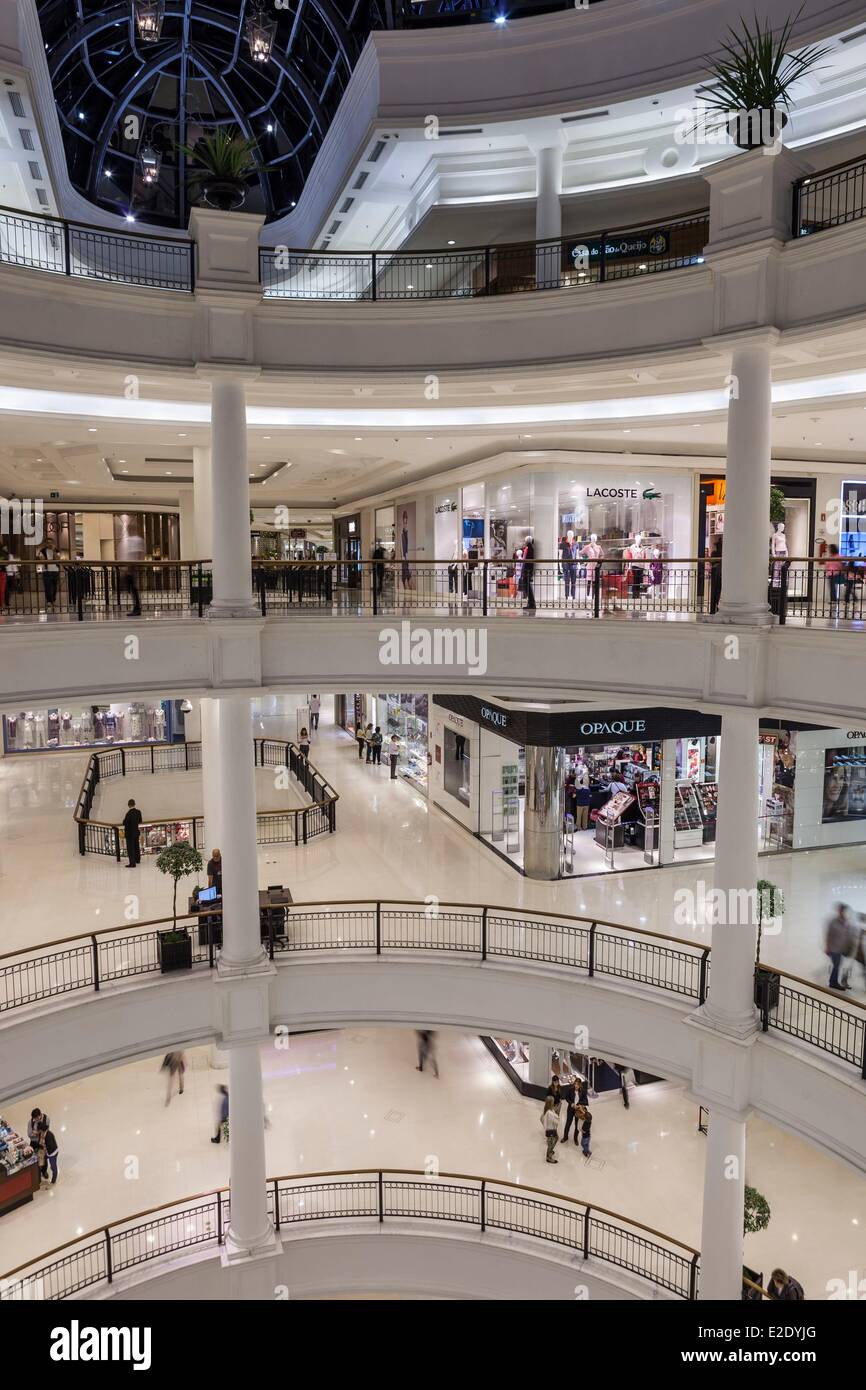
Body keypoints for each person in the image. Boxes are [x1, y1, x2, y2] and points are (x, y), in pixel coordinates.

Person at [825, 904, 855, 990]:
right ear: (839, 911)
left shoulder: (846, 922)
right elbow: (828, 935)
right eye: (842, 911)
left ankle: (840, 981)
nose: (844, 913)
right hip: (834, 949)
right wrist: (827, 947)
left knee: (840, 965)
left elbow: (848, 934)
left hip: (844, 949)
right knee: (836, 965)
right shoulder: (833, 922)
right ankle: (833, 982)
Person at [123, 797, 142, 868]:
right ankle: (138, 860)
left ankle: (132, 863)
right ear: (134, 804)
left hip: (129, 833)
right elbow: (140, 821)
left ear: (128, 805)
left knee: (130, 848)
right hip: (136, 832)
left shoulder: (128, 813)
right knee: (136, 846)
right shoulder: (138, 812)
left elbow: (125, 822)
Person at [38, 545, 59, 609]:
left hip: (55, 570)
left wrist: (53, 551)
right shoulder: (42, 551)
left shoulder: (56, 550)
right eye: (48, 542)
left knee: (54, 587)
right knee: (47, 587)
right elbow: (42, 560)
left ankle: (53, 600)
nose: (49, 543)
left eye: (51, 542)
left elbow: (58, 558)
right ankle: (49, 601)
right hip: (46, 571)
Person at [540, 1097, 560, 1163]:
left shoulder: (548, 1110)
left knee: (556, 1139)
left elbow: (541, 1118)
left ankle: (550, 1151)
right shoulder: (549, 1113)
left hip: (552, 1129)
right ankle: (548, 1157)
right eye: (553, 1101)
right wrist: (557, 1117)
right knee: (550, 1144)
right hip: (551, 1130)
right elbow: (556, 1121)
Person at [520, 535, 536, 611]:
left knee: (528, 588)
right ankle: (530, 603)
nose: (524, 542)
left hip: (527, 571)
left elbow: (529, 562)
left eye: (525, 541)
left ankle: (532, 603)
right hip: (527, 571)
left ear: (527, 541)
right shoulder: (528, 548)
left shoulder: (530, 549)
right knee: (527, 588)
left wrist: (527, 571)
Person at [709, 534, 723, 614]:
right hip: (718, 575)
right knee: (717, 592)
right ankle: (715, 608)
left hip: (717, 575)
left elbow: (712, 562)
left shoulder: (715, 554)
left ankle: (714, 608)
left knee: (716, 592)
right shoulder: (718, 554)